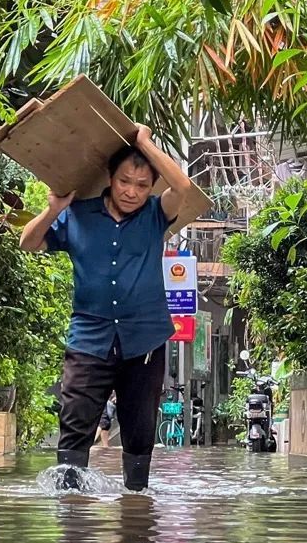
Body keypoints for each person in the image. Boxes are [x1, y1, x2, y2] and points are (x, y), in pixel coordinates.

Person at [20, 123, 191, 491]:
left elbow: (183, 187)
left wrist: (145, 142)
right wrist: (53, 209)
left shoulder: (156, 215)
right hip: (88, 338)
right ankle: (70, 509)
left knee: (140, 430)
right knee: (75, 424)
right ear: (110, 178)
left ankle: (136, 507)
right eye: (125, 181)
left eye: (143, 185)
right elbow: (28, 242)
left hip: (144, 339)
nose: (132, 192)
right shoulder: (78, 214)